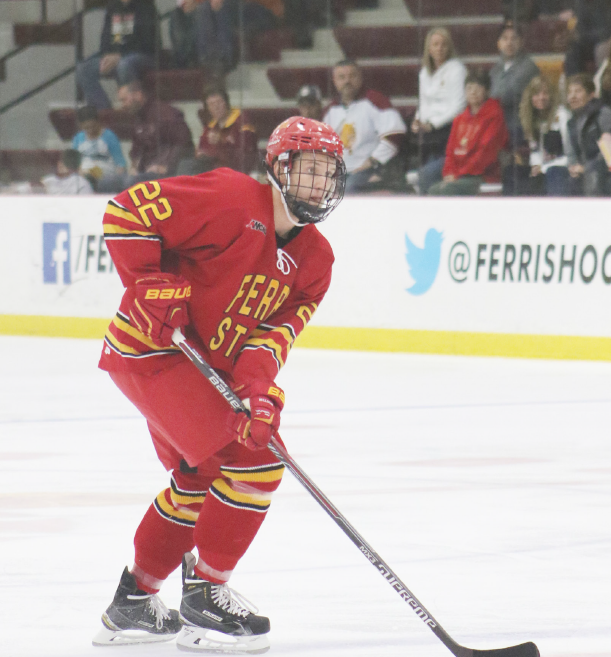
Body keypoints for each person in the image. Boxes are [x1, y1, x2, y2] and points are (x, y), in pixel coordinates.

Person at [92, 117, 346, 653]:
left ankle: (135, 601)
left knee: (201, 476)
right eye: (308, 170)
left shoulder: (317, 261)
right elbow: (126, 211)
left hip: (201, 371)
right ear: (279, 168)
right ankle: (207, 592)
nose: (318, 184)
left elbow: (271, 340)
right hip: (154, 350)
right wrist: (149, 283)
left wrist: (257, 393)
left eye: (328, 174)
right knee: (258, 462)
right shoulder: (231, 196)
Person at [323, 59, 406, 194]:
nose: (347, 81)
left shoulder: (376, 101)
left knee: (348, 189)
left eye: (352, 76)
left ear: (360, 78)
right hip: (341, 172)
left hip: (371, 169)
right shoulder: (331, 110)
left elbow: (394, 136)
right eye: (342, 77)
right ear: (334, 81)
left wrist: (373, 161)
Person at [97, 81, 194, 193]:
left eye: (124, 100)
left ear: (138, 95)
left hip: (165, 171)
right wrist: (134, 166)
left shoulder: (165, 114)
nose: (122, 105)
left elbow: (184, 144)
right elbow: (136, 151)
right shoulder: (138, 119)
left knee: (131, 183)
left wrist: (166, 165)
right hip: (144, 171)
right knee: (106, 182)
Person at [429, 69, 508, 196]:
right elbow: (450, 152)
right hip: (459, 176)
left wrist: (458, 175)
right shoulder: (459, 119)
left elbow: (486, 153)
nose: (473, 92)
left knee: (447, 190)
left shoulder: (495, 115)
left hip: (483, 176)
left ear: (487, 91)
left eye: (478, 88)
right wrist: (450, 173)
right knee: (433, 190)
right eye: (469, 88)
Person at [411, 27, 467, 195]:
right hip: (428, 131)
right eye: (435, 44)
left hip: (447, 130)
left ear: (449, 47)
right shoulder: (424, 73)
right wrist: (417, 120)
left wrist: (433, 124)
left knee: (428, 175)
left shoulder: (457, 69)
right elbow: (423, 102)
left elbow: (458, 106)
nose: (439, 48)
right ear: (429, 48)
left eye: (443, 44)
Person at [76, 0, 157, 110]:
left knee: (124, 65)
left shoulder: (145, 6)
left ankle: (133, 110)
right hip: (117, 55)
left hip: (144, 56)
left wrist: (119, 55)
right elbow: (105, 38)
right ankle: (104, 112)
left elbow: (146, 42)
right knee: (84, 68)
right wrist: (107, 55)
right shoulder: (113, 6)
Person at [177, 85, 259, 175]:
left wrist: (221, 142)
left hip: (236, 173)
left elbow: (246, 154)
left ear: (226, 103)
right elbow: (202, 150)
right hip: (214, 172)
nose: (216, 107)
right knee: (186, 165)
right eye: (211, 104)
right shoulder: (210, 127)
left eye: (219, 102)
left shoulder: (242, 121)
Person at [518, 75, 571, 195]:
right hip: (543, 168)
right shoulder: (531, 119)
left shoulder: (562, 115)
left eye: (545, 93)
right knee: (515, 172)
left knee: (553, 173)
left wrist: (543, 168)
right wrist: (536, 165)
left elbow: (570, 153)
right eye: (536, 94)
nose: (541, 98)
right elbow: (535, 150)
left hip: (561, 168)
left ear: (552, 96)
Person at [490, 21, 539, 145]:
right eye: (505, 38)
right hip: (498, 122)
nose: (509, 43)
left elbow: (504, 95)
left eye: (514, 38)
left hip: (518, 124)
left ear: (521, 42)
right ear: (498, 43)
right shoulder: (496, 68)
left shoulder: (528, 67)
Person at [566, 73, 611, 196]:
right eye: (570, 92)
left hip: (603, 170)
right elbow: (571, 154)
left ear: (591, 95)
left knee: (594, 175)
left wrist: (587, 167)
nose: (573, 96)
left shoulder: (603, 115)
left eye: (578, 91)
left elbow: (608, 154)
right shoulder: (571, 122)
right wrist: (573, 166)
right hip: (584, 170)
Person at [72, 106, 127, 188]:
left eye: (93, 126)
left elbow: (120, 163)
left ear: (98, 122)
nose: (90, 130)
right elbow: (74, 163)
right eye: (86, 128)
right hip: (83, 176)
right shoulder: (78, 138)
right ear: (80, 126)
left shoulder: (109, 136)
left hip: (105, 177)